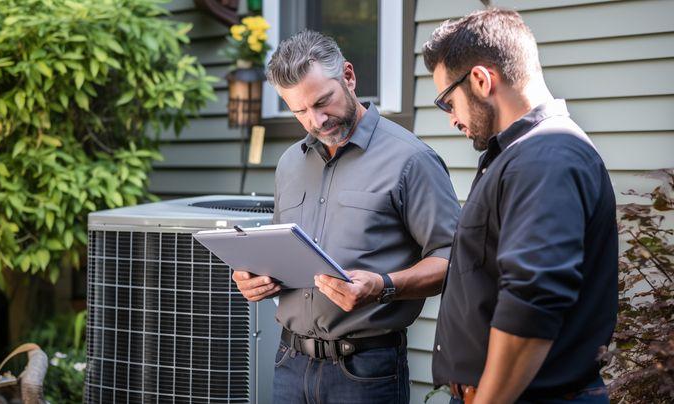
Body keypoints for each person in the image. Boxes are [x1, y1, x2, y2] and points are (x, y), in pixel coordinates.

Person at [231, 30, 461, 403]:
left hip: (366, 372)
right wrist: (253, 278)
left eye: (324, 102)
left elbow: (454, 260)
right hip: (288, 365)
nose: (316, 121)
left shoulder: (411, 160)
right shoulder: (289, 163)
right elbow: (281, 252)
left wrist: (383, 285)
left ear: (349, 77)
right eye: (300, 111)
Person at [422, 8, 618, 404]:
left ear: (480, 79)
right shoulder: (520, 154)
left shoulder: (547, 156)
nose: (451, 120)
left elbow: (533, 301)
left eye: (447, 102)